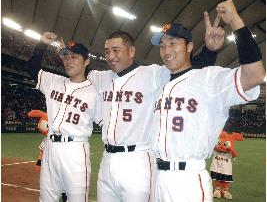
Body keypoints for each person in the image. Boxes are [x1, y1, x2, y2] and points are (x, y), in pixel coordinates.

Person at [87, 12, 224, 202]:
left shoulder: (153, 74)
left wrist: (210, 51)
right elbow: (77, 72)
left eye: (116, 50)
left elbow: (190, 70)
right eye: (107, 51)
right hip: (107, 158)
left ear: (132, 51)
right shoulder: (101, 78)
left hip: (138, 158)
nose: (110, 56)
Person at [150, 0, 265, 202]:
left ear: (189, 46)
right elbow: (187, 72)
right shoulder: (161, 79)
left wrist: (235, 22)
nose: (166, 50)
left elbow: (254, 75)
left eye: (173, 43)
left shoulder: (210, 79)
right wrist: (210, 51)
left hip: (188, 181)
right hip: (158, 177)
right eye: (162, 45)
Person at [26, 33, 101, 202]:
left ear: (86, 61)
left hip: (75, 149)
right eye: (66, 57)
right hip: (50, 147)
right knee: (47, 198)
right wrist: (42, 44)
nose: (69, 61)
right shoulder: (54, 81)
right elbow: (31, 68)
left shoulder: (95, 92)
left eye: (74, 57)